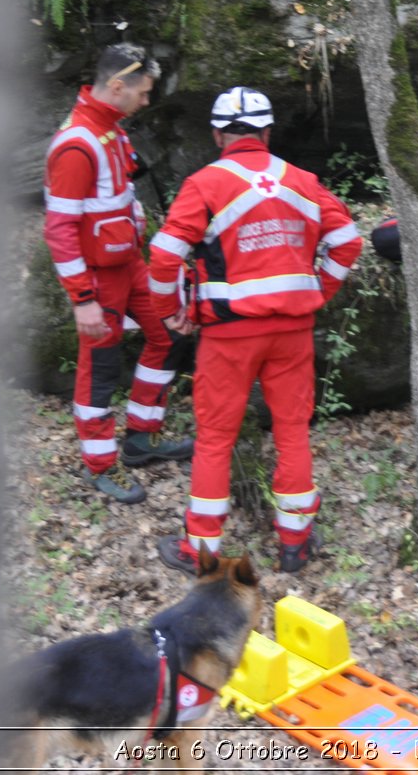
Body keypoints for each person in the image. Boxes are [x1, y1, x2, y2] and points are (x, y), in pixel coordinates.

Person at [147, 87, 364, 575]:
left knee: (215, 437)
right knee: (291, 430)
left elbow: (163, 257)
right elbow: (348, 243)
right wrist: (316, 291)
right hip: (292, 331)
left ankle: (201, 549)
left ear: (218, 134)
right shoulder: (303, 181)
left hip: (229, 335)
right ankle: (294, 541)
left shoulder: (205, 183)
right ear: (268, 132)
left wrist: (171, 311)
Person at [43, 43, 193, 505]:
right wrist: (82, 299)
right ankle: (101, 464)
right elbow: (59, 229)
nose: (146, 101)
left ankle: (140, 438)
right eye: (143, 92)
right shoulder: (76, 145)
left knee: (168, 335)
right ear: (116, 86)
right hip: (98, 278)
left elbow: (121, 195)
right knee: (100, 369)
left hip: (130, 265)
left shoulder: (112, 132)